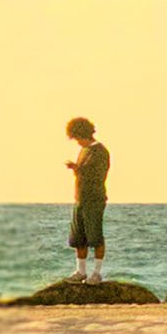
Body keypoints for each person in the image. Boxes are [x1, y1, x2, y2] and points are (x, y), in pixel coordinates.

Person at [64, 118, 111, 282]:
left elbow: (97, 174)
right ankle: (81, 272)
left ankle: (97, 273)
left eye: (77, 138)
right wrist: (77, 169)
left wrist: (77, 168)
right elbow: (82, 173)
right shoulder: (84, 151)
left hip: (94, 199)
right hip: (80, 199)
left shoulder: (100, 151)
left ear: (84, 135)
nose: (77, 142)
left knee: (95, 237)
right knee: (78, 238)